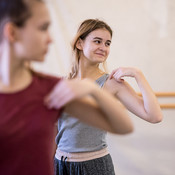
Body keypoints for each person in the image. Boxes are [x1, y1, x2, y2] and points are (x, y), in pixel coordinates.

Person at [0, 1, 134, 175]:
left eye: (107, 43)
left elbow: (123, 126)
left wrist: (92, 89)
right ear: (12, 32)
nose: (50, 39)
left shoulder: (50, 88)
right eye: (43, 28)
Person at [49, 19, 163, 175]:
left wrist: (138, 74)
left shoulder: (111, 83)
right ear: (80, 44)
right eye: (97, 41)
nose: (103, 48)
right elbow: (56, 130)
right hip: (60, 165)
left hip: (93, 166)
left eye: (107, 43)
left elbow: (154, 116)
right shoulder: (61, 83)